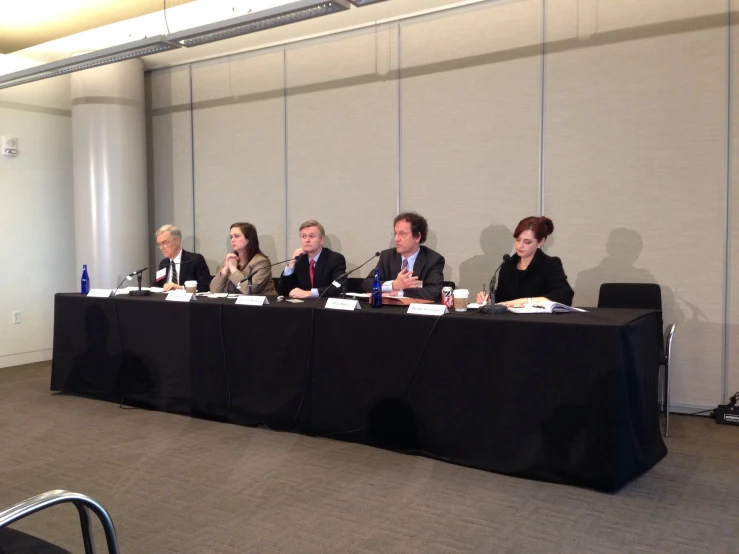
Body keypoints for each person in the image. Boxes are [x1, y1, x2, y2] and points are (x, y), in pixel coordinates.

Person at [476, 216, 574, 307]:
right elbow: (503, 299)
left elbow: (564, 295)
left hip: (538, 322)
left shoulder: (550, 264)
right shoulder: (508, 264)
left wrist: (526, 301)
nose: (520, 245)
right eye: (518, 240)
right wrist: (489, 300)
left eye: (527, 242)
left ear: (541, 242)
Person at [361, 212, 445, 301]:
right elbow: (367, 284)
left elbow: (434, 292)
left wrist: (398, 293)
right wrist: (393, 285)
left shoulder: (433, 260)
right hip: (389, 311)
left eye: (402, 234)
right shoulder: (387, 256)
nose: (396, 239)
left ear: (417, 237)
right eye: (395, 233)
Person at [277, 219, 347, 299]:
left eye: (311, 236)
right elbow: (282, 291)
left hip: (324, 307)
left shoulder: (335, 259)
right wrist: (292, 263)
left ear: (321, 240)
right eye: (304, 236)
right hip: (301, 308)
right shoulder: (299, 261)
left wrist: (309, 293)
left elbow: (339, 287)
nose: (307, 240)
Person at [209, 222, 276, 295]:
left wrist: (233, 269)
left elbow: (249, 290)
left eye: (237, 236)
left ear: (249, 239)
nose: (232, 240)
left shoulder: (261, 262)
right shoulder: (231, 260)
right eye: (231, 237)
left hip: (260, 305)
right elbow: (214, 291)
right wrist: (225, 270)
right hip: (232, 304)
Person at [153, 224, 211, 292]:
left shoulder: (195, 260)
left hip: (186, 301)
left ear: (177, 241)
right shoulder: (164, 263)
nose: (161, 248)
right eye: (160, 244)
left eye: (165, 243)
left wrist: (180, 288)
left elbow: (205, 287)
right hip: (165, 300)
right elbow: (156, 287)